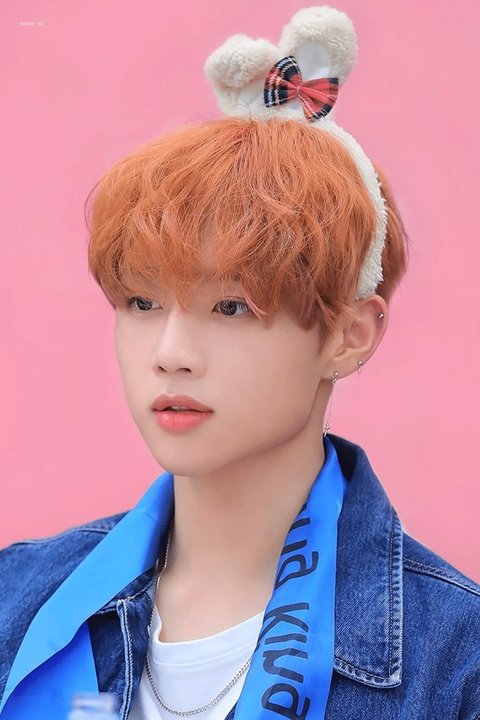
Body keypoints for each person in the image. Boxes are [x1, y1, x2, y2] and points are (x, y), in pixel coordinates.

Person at [1, 5, 479, 720]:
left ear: (348, 335)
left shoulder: (455, 658)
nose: (170, 355)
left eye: (230, 307)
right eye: (141, 302)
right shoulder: (17, 597)